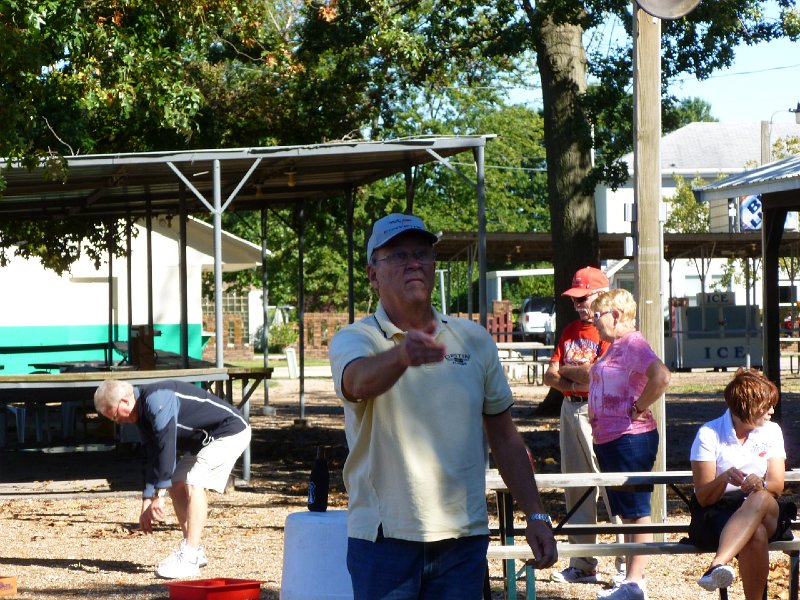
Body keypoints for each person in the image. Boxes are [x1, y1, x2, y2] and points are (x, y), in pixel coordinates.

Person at [329, 213, 557, 600]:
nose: (413, 262)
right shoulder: (357, 338)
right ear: (373, 274)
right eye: (398, 255)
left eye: (422, 253)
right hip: (383, 538)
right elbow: (357, 382)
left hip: (462, 539)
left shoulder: (474, 339)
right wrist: (403, 355)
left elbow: (504, 436)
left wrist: (535, 513)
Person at [94, 379, 251, 579]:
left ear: (125, 401)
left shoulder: (157, 398)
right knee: (177, 482)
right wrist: (147, 499)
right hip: (204, 442)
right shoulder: (141, 413)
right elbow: (153, 455)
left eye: (114, 415)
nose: (117, 421)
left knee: (194, 481)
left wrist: (159, 496)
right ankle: (193, 549)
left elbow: (167, 446)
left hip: (230, 432)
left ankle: (189, 556)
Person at [588, 289, 671, 600]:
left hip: (631, 439)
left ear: (616, 315)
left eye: (598, 315)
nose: (593, 321)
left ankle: (636, 583)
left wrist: (637, 407)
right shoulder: (614, 347)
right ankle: (631, 578)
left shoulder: (633, 343)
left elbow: (662, 377)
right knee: (625, 512)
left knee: (637, 512)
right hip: (610, 439)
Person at [543, 266, 617, 585]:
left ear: (600, 295)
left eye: (583, 299)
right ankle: (583, 564)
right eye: (574, 301)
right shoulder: (570, 329)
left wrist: (571, 372)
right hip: (570, 408)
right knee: (576, 486)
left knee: (611, 486)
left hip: (600, 410)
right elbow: (549, 376)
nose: (578, 306)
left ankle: (628, 567)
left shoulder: (612, 330)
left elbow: (597, 376)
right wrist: (580, 372)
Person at [689, 368, 790, 598]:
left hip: (766, 508)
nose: (772, 411)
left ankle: (716, 565)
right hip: (720, 511)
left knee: (762, 497)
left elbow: (776, 486)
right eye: (766, 406)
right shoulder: (709, 433)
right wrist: (724, 479)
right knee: (756, 534)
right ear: (747, 407)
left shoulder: (772, 431)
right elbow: (703, 496)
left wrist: (760, 484)